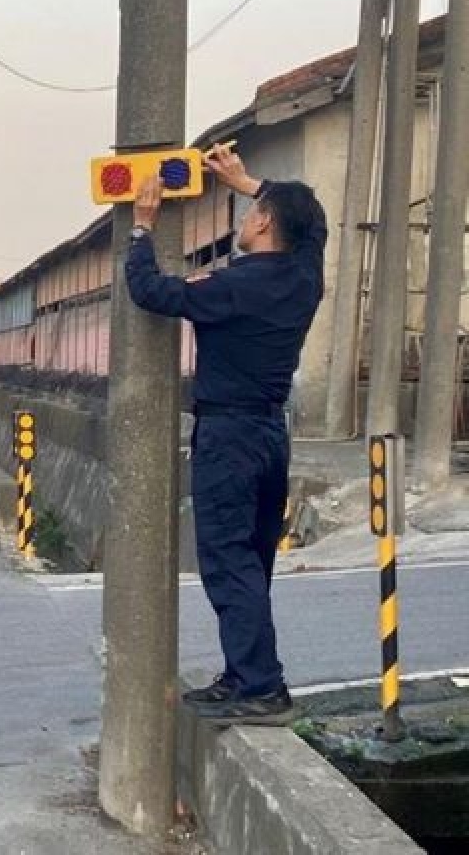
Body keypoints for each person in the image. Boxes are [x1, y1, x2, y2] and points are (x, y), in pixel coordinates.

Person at [124, 145, 327, 725]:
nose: (242, 217)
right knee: (252, 561)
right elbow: (314, 228)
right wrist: (246, 182)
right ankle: (247, 674)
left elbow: (152, 292)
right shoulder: (303, 276)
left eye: (249, 209)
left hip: (230, 437)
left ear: (263, 222)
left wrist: (142, 228)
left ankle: (261, 686)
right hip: (269, 435)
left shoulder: (234, 287)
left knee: (228, 559)